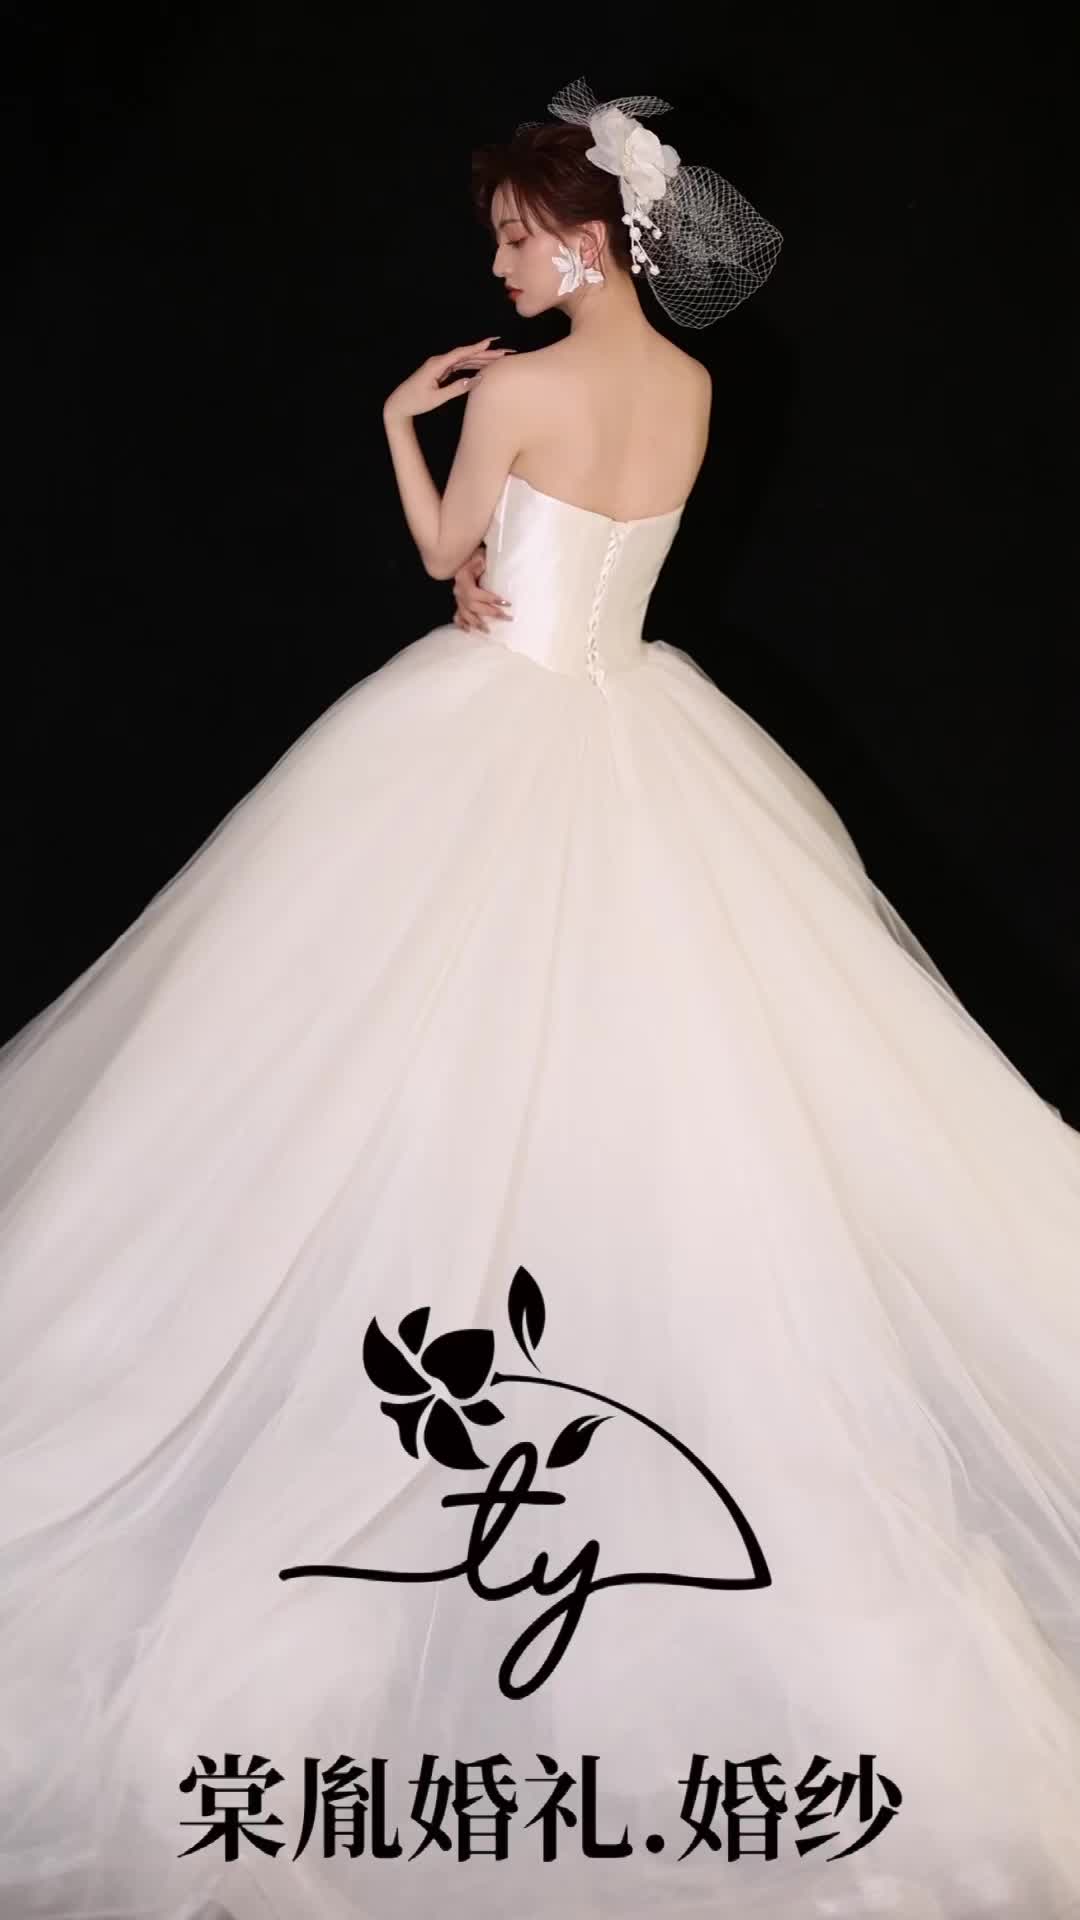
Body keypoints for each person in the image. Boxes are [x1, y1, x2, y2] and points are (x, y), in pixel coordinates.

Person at [2, 74, 1080, 1920]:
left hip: (495, 731)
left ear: (587, 234)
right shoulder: (699, 387)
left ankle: (431, 1411)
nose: (497, 265)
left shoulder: (510, 386)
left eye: (514, 235)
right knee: (668, 1075)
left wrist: (399, 423)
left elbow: (451, 564)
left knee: (393, 1060)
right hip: (643, 727)